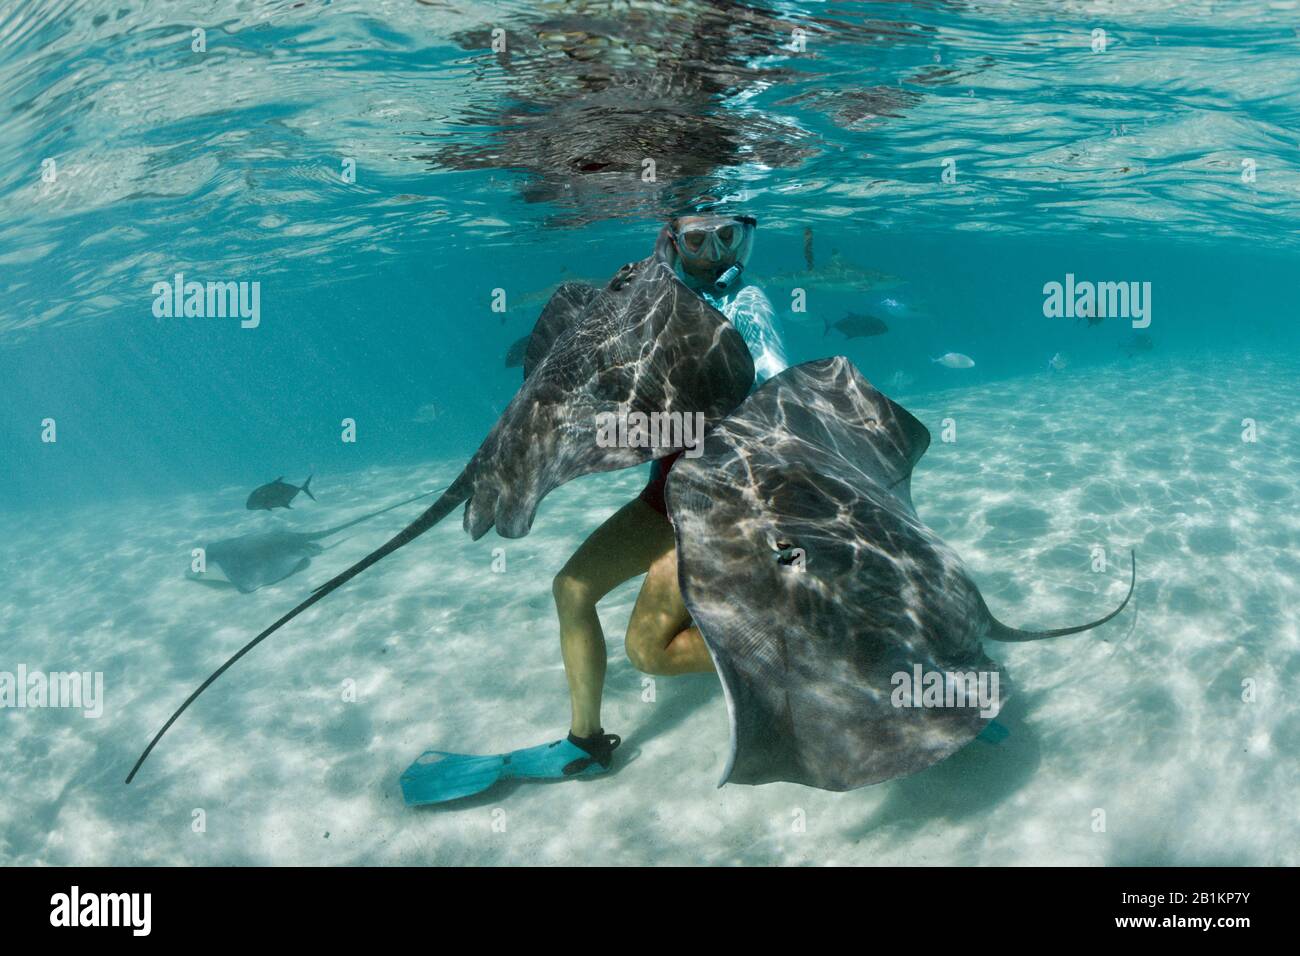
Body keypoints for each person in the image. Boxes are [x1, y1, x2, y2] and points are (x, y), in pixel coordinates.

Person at [548, 212, 789, 773]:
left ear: (745, 238)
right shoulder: (658, 297)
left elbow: (779, 388)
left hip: (718, 500)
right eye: (696, 240)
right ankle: (587, 741)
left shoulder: (747, 304)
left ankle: (796, 649)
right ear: (674, 244)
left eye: (726, 236)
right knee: (571, 589)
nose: (712, 254)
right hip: (666, 491)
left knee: (648, 651)